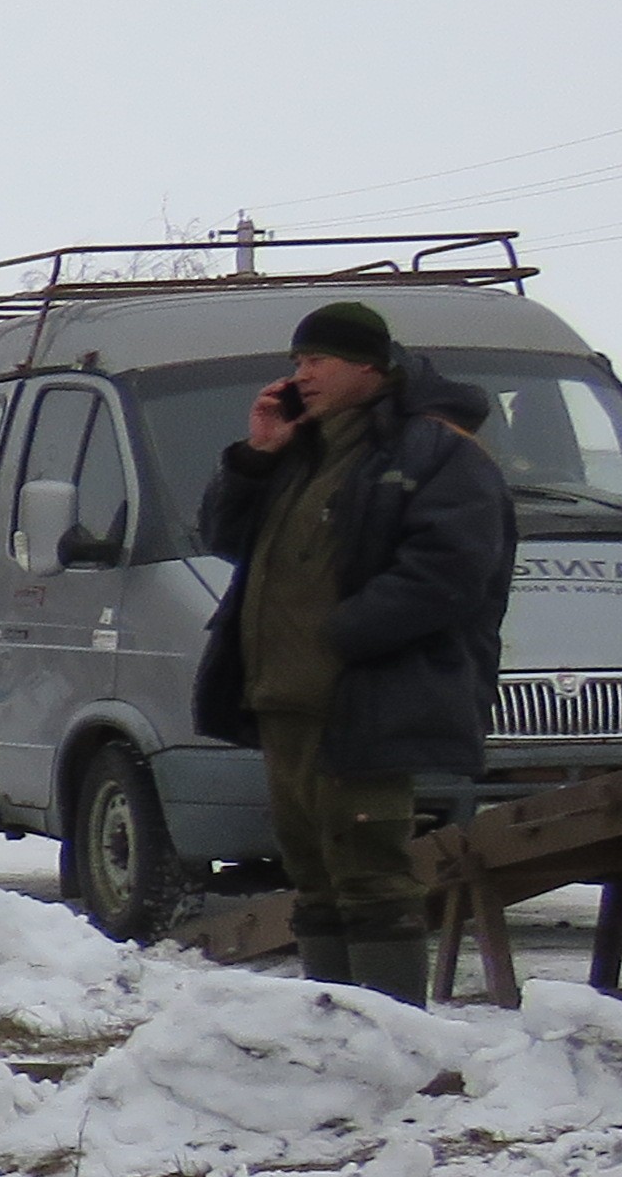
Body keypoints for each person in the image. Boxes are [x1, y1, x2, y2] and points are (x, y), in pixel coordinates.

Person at [191, 298, 514, 1005]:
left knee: (371, 871)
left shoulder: (436, 452)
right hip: (284, 698)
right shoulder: (303, 449)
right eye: (297, 361)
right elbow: (224, 537)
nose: (301, 375)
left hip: (365, 696)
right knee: (313, 874)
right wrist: (257, 455)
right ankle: (332, 1026)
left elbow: (450, 570)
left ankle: (388, 1032)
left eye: (318, 360)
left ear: (369, 365)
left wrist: (343, 633)